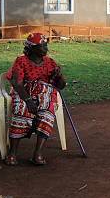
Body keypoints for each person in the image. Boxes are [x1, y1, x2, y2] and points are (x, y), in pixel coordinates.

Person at [4, 33, 66, 166]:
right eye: (41, 45)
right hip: (24, 92)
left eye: (45, 45)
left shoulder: (50, 62)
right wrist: (28, 100)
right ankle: (12, 153)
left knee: (46, 113)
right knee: (21, 110)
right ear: (31, 48)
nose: (45, 48)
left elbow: (61, 86)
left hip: (45, 92)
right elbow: (17, 83)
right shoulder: (21, 61)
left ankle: (37, 153)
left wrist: (59, 77)